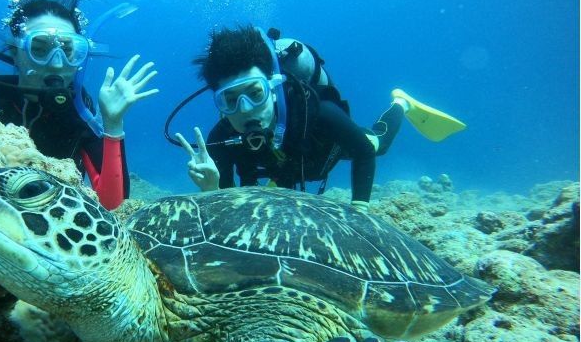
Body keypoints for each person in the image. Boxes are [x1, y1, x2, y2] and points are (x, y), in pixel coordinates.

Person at [175, 25, 465, 211]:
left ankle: (401, 103)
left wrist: (359, 210)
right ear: (219, 103)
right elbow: (229, 211)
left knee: (376, 144)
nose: (246, 108)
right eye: (230, 100)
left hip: (324, 149)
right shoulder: (217, 143)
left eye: (255, 93)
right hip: (285, 168)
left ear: (274, 88)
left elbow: (363, 153)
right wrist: (211, 191)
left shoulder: (316, 112)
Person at [0, 0, 158, 210]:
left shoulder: (80, 111)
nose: (57, 63)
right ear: (16, 53)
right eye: (39, 49)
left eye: (67, 50)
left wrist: (113, 126)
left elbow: (113, 205)